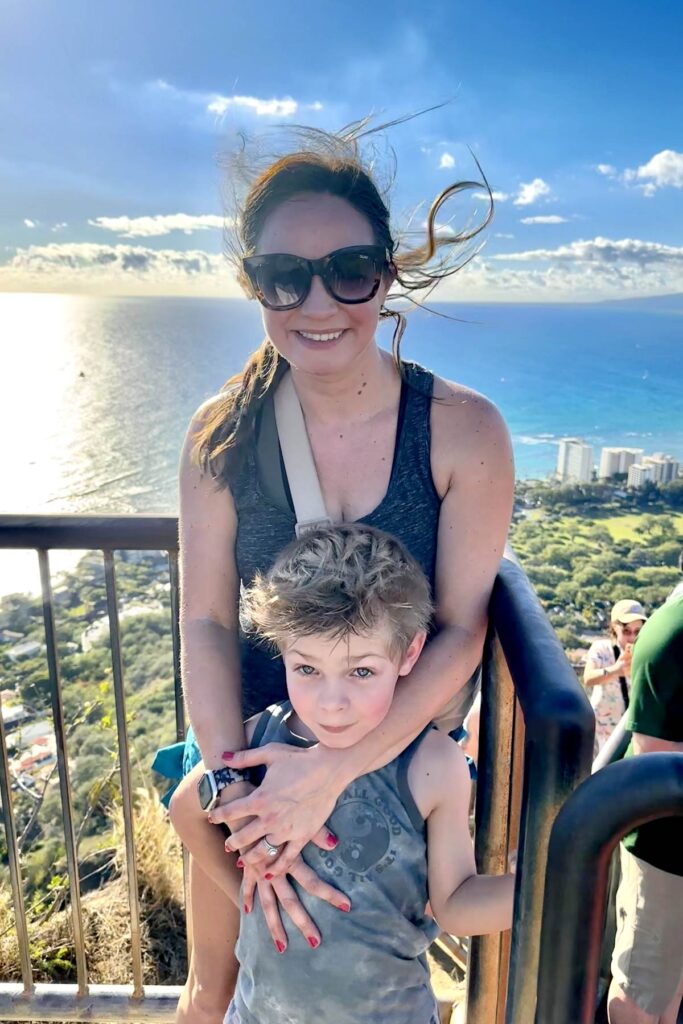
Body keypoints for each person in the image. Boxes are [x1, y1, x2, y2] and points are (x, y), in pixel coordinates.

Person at [161, 118, 514, 1024]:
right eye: (285, 277)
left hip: (391, 753)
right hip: (256, 741)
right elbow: (204, 620)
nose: (318, 302)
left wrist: (334, 770)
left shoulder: (462, 431)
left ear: (384, 277)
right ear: (255, 287)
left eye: (347, 270)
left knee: (365, 983)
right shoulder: (221, 435)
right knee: (217, 992)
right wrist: (238, 786)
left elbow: (463, 628)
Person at [178, 524, 515, 1024]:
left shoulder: (432, 766)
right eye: (307, 669)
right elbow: (187, 808)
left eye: (361, 672)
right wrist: (256, 887)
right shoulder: (259, 743)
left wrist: (548, 885)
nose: (332, 704)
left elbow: (457, 904)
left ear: (410, 655)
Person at [607, 593, 683, 1024]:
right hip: (665, 850)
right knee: (640, 990)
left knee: (672, 982)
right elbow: (656, 757)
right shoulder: (673, 634)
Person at [583, 599, 647, 751]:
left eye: (637, 632)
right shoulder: (602, 648)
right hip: (600, 730)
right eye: (626, 631)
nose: (631, 638)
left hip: (630, 732)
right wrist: (616, 670)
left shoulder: (645, 652)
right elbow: (588, 678)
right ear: (614, 628)